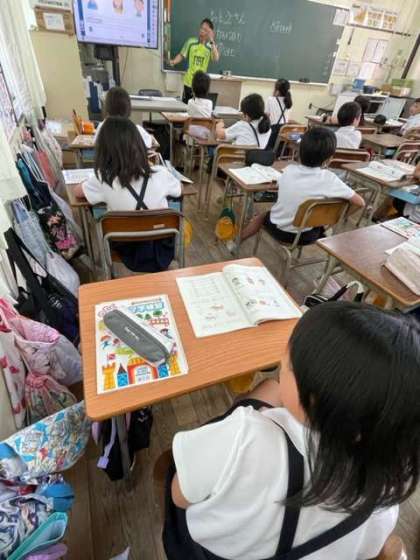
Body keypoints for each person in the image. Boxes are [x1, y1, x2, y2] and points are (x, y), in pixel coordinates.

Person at [164, 301, 420, 559]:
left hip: (207, 552)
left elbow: (179, 496)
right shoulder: (387, 496)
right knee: (270, 389)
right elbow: (367, 551)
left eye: (289, 366)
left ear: (315, 399)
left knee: (264, 392)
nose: (282, 362)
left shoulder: (244, 437)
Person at [74, 117, 181, 272]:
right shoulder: (162, 174)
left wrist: (91, 178)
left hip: (125, 248)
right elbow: (179, 189)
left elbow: (77, 192)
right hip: (161, 247)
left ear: (103, 150)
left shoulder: (103, 179)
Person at [241, 127, 365, 244]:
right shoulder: (330, 179)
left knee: (261, 217)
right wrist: (335, 218)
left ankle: (236, 241)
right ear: (329, 159)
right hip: (308, 235)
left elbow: (280, 186)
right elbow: (360, 203)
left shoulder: (288, 170)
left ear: (299, 151)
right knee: (318, 220)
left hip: (279, 231)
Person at [169, 18, 220, 104]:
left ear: (210, 32)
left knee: (199, 108)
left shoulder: (211, 46)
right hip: (189, 82)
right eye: (201, 28)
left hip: (201, 85)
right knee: (186, 107)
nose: (202, 31)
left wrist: (212, 40)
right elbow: (182, 55)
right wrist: (173, 61)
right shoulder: (191, 42)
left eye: (205, 30)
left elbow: (216, 58)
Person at [186, 71, 213, 140]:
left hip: (191, 134)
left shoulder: (190, 102)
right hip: (205, 136)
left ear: (193, 88)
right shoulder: (210, 103)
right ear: (208, 89)